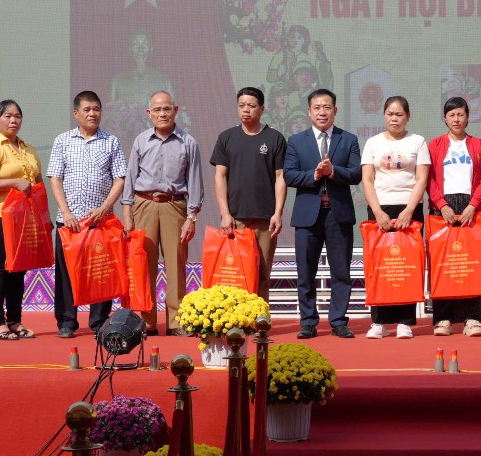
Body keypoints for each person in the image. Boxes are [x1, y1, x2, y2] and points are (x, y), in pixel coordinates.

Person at [122, 91, 204, 336]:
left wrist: (192, 217)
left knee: (175, 264)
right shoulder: (140, 141)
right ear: (149, 113)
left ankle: (176, 322)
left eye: (166, 109)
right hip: (144, 205)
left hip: (174, 205)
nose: (162, 114)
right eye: (157, 110)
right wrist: (127, 213)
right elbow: (130, 178)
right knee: (143, 265)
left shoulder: (188, 142)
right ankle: (146, 322)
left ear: (175, 110)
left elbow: (195, 182)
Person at [48, 91, 128, 338]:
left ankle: (99, 322)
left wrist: (104, 209)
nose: (93, 113)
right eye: (87, 109)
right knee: (66, 274)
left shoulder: (111, 141)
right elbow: (55, 178)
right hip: (69, 222)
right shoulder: (63, 140)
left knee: (100, 273)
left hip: (100, 222)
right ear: (76, 113)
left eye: (96, 109)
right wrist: (66, 212)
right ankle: (67, 322)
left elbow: (120, 178)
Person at [284, 89, 362, 339]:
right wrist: (315, 175)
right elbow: (289, 175)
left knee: (341, 271)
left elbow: (356, 174)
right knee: (306, 272)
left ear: (335, 111)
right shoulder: (297, 141)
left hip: (338, 215)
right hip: (308, 216)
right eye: (317, 107)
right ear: (309, 111)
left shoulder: (348, 139)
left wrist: (333, 171)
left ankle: (338, 321)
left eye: (327, 107)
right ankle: (308, 321)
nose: (322, 112)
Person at [361, 96, 431, 339]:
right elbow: (367, 180)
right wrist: (378, 212)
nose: (394, 118)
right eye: (390, 114)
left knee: (406, 266)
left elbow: (421, 178)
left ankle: (405, 321)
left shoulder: (418, 141)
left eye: (399, 114)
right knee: (380, 265)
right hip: (380, 209)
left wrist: (409, 211)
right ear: (384, 116)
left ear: (407, 116)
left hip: (409, 209)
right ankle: (379, 321)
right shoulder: (373, 143)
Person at [210, 87, 287, 303]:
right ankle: (237, 323)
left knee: (262, 272)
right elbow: (220, 176)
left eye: (252, 106)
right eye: (242, 106)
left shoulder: (275, 138)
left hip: (265, 218)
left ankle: (260, 322)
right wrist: (225, 214)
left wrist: (278, 213)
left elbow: (281, 177)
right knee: (236, 273)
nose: (246, 110)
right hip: (236, 218)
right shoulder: (226, 138)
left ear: (262, 109)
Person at [0, 100, 43, 341]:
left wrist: (43, 219)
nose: (13, 120)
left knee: (19, 269)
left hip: (24, 219)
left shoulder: (29, 149)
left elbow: (38, 185)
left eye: (17, 116)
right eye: (7, 116)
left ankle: (15, 320)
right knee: (2, 266)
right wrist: (13, 182)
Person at [426, 97, 481, 337]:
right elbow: (429, 178)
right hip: (442, 208)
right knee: (443, 264)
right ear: (445, 118)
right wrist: (441, 204)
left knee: (470, 263)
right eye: (451, 115)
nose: (456, 119)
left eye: (461, 114)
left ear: (468, 116)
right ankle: (442, 319)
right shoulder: (435, 145)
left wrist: (474, 205)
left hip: (469, 208)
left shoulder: (477, 144)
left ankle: (472, 318)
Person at [110, 33, 175, 105]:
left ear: (151, 48)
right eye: (135, 44)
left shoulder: (164, 80)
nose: (140, 49)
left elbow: (172, 111)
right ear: (130, 49)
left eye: (145, 44)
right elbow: (110, 111)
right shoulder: (118, 80)